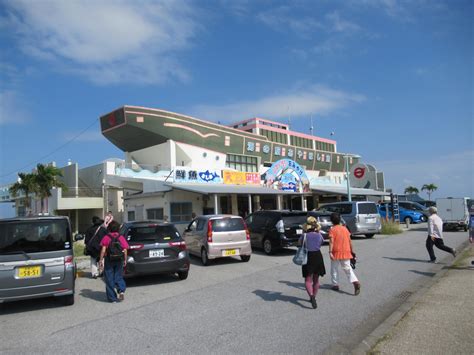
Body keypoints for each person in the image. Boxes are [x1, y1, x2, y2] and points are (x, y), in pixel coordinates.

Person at [328, 212, 361, 295]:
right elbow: (350, 241)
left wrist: (330, 252)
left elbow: (331, 241)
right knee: (347, 268)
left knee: (334, 268)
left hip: (336, 251)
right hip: (346, 251)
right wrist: (352, 251)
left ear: (332, 221)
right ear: (339, 220)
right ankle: (355, 282)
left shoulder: (332, 229)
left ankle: (335, 284)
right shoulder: (345, 229)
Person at [299, 216, 326, 309]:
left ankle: (311, 296)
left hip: (308, 256)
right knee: (316, 279)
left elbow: (299, 244)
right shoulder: (319, 235)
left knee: (308, 279)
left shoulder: (304, 236)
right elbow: (321, 243)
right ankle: (314, 296)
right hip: (318, 256)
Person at [99, 221, 129, 303]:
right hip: (119, 260)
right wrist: (125, 259)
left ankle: (112, 298)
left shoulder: (106, 237)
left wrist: (101, 260)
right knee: (118, 276)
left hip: (109, 260)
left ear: (109, 228)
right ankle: (121, 290)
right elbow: (125, 250)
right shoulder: (121, 237)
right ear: (118, 228)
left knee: (109, 279)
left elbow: (103, 250)